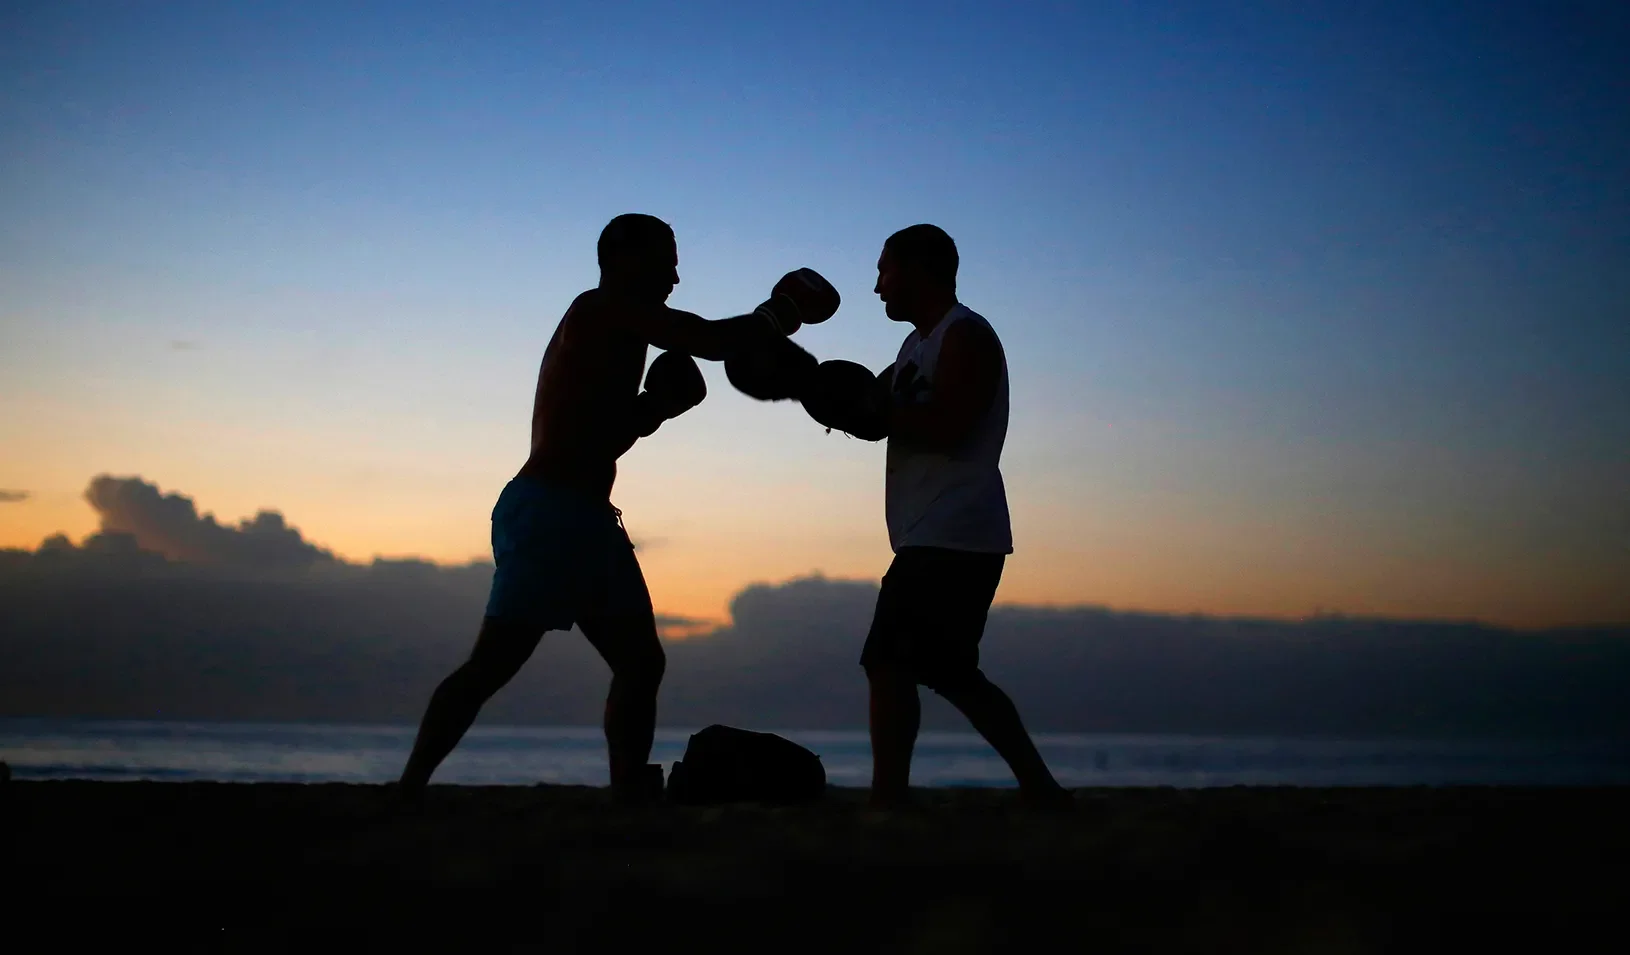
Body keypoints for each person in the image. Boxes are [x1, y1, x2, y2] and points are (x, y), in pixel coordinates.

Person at [397, 213, 839, 805]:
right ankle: (407, 789)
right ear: (626, 259)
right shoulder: (601, 308)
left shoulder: (618, 328)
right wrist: (783, 310)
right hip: (551, 512)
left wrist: (654, 407)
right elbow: (708, 340)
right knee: (491, 666)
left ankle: (628, 789)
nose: (676, 277)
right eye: (668, 260)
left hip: (586, 515)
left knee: (640, 662)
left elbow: (602, 435)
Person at [794, 224, 1073, 809]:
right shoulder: (913, 347)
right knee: (950, 672)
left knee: (887, 662)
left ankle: (887, 800)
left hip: (956, 531)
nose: (876, 287)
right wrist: (806, 385)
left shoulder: (965, 335)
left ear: (921, 270)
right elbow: (876, 420)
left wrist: (870, 405)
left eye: (884, 271)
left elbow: (951, 425)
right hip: (937, 531)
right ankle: (1043, 791)